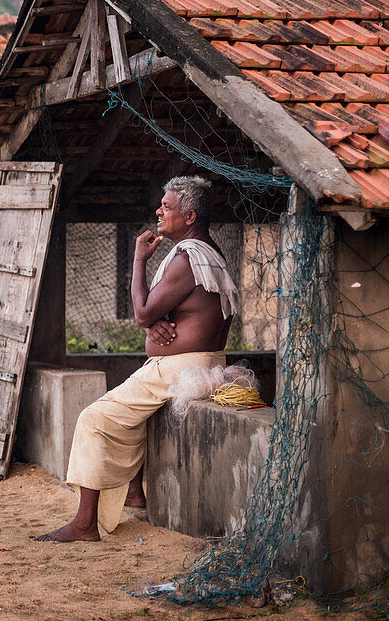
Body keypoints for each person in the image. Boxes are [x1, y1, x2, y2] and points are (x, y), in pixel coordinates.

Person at [35, 175, 238, 542]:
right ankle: (134, 491)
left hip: (183, 368)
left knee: (93, 419)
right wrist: (152, 329)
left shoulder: (187, 259)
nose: (159, 211)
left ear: (190, 217)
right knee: (134, 415)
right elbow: (157, 318)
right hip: (200, 364)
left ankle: (83, 525)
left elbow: (143, 312)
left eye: (168, 207)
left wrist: (138, 260)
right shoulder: (208, 253)